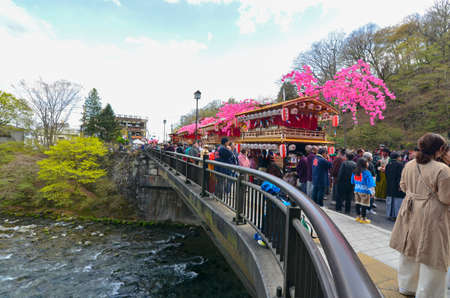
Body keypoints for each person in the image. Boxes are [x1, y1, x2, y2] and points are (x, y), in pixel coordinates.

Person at [390, 133, 450, 298]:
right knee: (433, 253)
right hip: (432, 214)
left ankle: (407, 286)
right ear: (439, 150)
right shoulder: (442, 170)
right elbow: (446, 198)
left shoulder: (409, 164)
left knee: (409, 248)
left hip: (409, 210)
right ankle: (429, 293)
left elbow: (402, 186)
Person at [351, 157, 376, 224]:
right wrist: (372, 191)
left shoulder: (355, 171)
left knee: (358, 203)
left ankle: (358, 216)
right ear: (365, 164)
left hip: (356, 190)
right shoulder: (367, 172)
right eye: (367, 162)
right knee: (364, 205)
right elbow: (370, 183)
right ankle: (363, 218)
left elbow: (352, 181)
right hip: (365, 191)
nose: (368, 163)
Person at [385, 152, 405, 220]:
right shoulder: (400, 165)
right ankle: (395, 215)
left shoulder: (388, 164)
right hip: (397, 185)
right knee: (397, 200)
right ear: (397, 157)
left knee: (390, 199)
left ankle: (389, 214)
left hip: (389, 184)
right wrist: (400, 185)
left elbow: (386, 175)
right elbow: (400, 176)